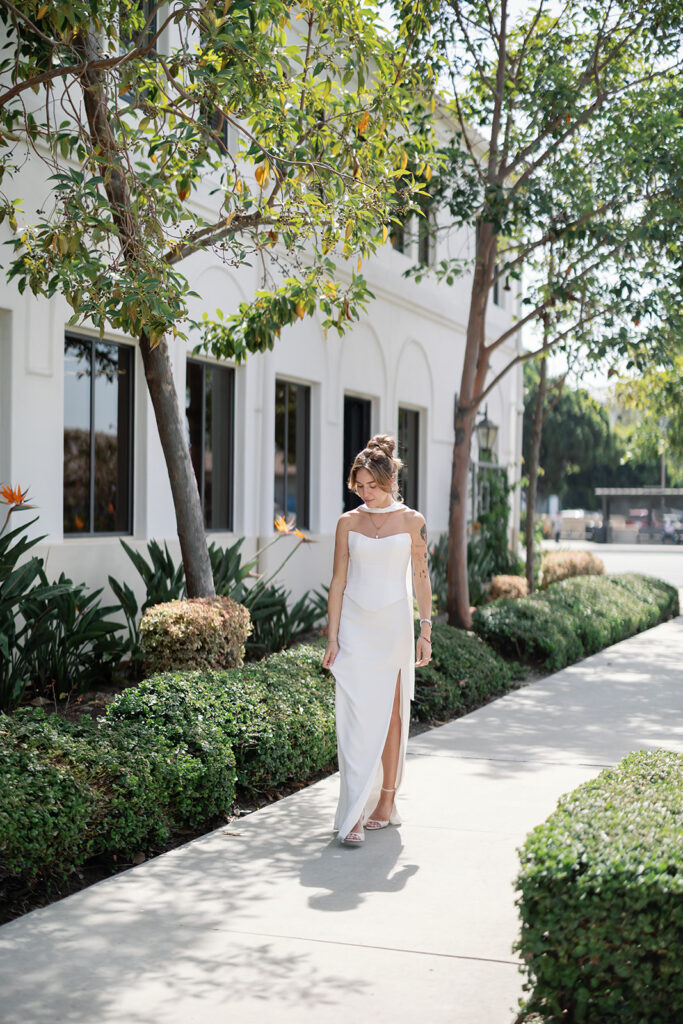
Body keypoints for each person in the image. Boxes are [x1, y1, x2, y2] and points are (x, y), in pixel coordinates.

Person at [322, 434, 432, 847]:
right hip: (353, 627)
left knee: (390, 716)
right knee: (352, 718)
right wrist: (332, 636)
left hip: (394, 627)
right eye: (359, 486)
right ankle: (351, 814)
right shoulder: (347, 523)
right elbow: (337, 582)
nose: (365, 494)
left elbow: (421, 578)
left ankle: (385, 803)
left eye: (373, 486)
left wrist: (426, 631)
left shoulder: (413, 522)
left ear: (390, 481)